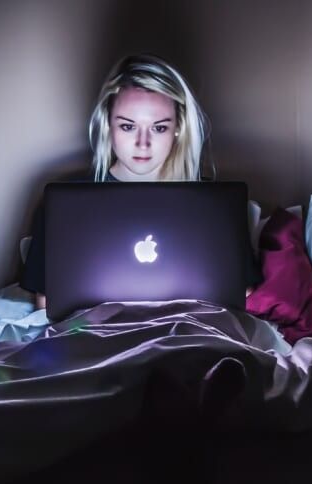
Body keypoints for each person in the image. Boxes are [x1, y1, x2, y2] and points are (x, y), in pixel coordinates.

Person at [20, 53, 260, 310]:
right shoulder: (66, 205)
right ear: (107, 125)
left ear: (178, 128)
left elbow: (241, 293)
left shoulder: (214, 203)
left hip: (188, 333)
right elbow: (47, 302)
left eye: (158, 128)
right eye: (127, 126)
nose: (143, 143)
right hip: (99, 337)